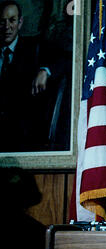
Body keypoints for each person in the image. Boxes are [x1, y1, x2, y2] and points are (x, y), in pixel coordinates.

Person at [0, 0, 57, 151]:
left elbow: (66, 60)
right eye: (2, 21)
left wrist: (45, 70)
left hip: (23, 139)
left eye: (12, 20)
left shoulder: (33, 49)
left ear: (20, 22)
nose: (7, 27)